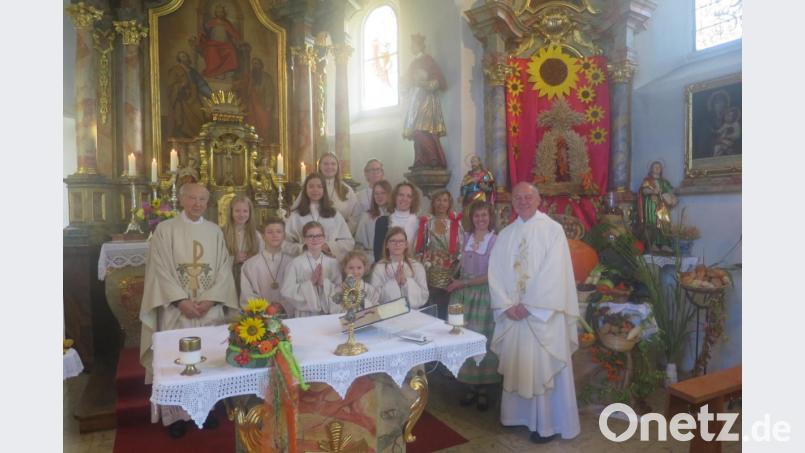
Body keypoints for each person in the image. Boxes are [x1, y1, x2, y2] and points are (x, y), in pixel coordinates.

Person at [139, 183, 238, 438]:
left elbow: (224, 270)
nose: (197, 203)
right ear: (182, 200)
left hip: (208, 310)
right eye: (192, 198)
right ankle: (176, 416)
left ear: (208, 203)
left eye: (202, 199)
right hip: (176, 310)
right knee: (176, 359)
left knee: (210, 358)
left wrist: (210, 300)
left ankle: (206, 410)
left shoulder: (215, 231)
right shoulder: (165, 229)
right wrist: (181, 301)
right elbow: (159, 269)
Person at [488, 182, 580, 443]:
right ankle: (517, 417)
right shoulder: (505, 234)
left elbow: (555, 272)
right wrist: (507, 305)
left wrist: (530, 305)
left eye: (528, 197)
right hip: (514, 315)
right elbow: (494, 272)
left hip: (541, 315)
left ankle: (546, 425)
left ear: (539, 200)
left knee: (542, 366)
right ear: (512, 203)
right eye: (518, 198)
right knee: (519, 362)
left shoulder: (553, 230)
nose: (523, 201)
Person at [446, 201, 500, 411]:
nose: (480, 220)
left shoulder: (494, 241)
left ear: (490, 217)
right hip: (461, 296)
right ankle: (469, 385)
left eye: (484, 215)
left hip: (481, 294)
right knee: (463, 338)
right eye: (477, 216)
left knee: (481, 338)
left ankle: (484, 388)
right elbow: (459, 264)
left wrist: (464, 283)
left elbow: (491, 275)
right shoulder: (466, 238)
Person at [402, 34, 448, 169]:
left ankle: (434, 158)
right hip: (415, 100)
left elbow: (439, 80)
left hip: (426, 99)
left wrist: (426, 84)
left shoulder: (428, 60)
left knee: (422, 129)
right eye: (411, 45)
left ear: (420, 45)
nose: (411, 47)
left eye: (414, 44)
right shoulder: (413, 63)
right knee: (416, 132)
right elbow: (406, 82)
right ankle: (420, 160)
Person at [285, 173, 355, 261]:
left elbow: (349, 242)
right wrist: (303, 248)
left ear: (324, 190)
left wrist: (329, 246)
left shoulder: (334, 214)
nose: (315, 190)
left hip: (329, 261)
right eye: (311, 186)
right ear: (305, 190)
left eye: (319, 186)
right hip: (304, 263)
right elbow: (284, 243)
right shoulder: (296, 215)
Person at [416, 189, 463, 319]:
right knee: (433, 309)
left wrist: (455, 266)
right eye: (438, 200)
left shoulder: (455, 223)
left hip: (451, 272)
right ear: (433, 202)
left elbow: (461, 248)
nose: (441, 203)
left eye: (445, 200)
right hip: (431, 272)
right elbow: (421, 248)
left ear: (449, 203)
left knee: (448, 308)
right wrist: (426, 265)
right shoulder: (427, 223)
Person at [281, 221, 343, 317]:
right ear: (304, 239)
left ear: (324, 238)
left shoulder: (333, 263)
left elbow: (340, 289)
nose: (315, 239)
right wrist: (310, 283)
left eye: (318, 236)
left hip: (328, 314)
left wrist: (324, 284)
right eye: (310, 236)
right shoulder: (295, 263)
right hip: (305, 315)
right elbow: (287, 291)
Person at [240, 218, 294, 316]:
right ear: (263, 236)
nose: (275, 235)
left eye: (279, 231)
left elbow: (296, 291)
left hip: (288, 316)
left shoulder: (292, 263)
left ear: (284, 236)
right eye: (270, 232)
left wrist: (283, 305)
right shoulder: (250, 265)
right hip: (260, 319)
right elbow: (247, 294)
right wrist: (265, 309)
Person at [370, 227, 429, 308]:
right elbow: (374, 297)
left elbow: (424, 295)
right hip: (388, 313)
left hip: (413, 313)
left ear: (406, 245)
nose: (397, 244)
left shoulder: (417, 266)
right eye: (393, 241)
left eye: (401, 241)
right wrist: (394, 282)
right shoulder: (379, 268)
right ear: (386, 244)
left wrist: (406, 282)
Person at [222, 195, 264, 298]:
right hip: (228, 280)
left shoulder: (256, 235)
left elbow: (263, 259)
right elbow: (215, 261)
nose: (241, 214)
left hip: (250, 280)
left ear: (250, 213)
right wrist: (233, 259)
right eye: (237, 211)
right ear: (231, 212)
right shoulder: (221, 233)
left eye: (245, 211)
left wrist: (252, 260)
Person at [167, 51, 212, 138]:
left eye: (186, 56)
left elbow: (201, 84)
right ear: (179, 59)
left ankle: (197, 138)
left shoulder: (192, 71)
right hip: (183, 98)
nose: (185, 58)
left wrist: (212, 96)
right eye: (182, 56)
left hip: (194, 97)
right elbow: (171, 86)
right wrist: (180, 86)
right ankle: (184, 136)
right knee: (183, 120)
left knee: (200, 115)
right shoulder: (175, 70)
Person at [193, 4, 242, 79]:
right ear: (216, 13)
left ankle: (226, 71)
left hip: (224, 44)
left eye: (221, 12)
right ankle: (215, 73)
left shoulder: (227, 23)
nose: (220, 13)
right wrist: (199, 38)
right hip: (213, 43)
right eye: (218, 12)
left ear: (224, 13)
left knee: (232, 51)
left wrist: (238, 39)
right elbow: (203, 31)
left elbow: (234, 33)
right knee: (212, 50)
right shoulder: (211, 22)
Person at [637, 161, 677, 251]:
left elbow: (671, 191)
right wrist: (652, 191)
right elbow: (643, 191)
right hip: (651, 205)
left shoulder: (664, 181)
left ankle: (664, 243)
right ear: (651, 169)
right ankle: (652, 244)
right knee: (652, 223)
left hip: (662, 205)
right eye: (655, 167)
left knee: (664, 223)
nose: (657, 168)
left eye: (659, 167)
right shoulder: (647, 181)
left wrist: (672, 197)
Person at [378, 182, 420, 258]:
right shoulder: (383, 222)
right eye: (401, 195)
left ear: (413, 200)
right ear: (394, 197)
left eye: (409, 196)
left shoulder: (419, 222)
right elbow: (378, 252)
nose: (404, 199)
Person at [355, 179, 392, 263]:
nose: (379, 196)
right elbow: (358, 243)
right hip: (371, 259)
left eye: (383, 193)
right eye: (376, 193)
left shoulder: (395, 215)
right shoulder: (367, 216)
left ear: (389, 194)